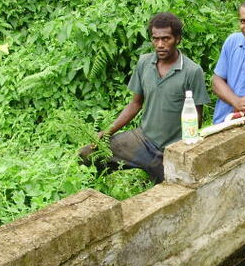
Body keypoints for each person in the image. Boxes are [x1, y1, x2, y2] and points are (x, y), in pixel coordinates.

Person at [80, 12, 210, 183]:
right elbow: (135, 103)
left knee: (174, 190)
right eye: (155, 39)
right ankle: (101, 186)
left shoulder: (192, 71)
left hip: (170, 150)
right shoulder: (144, 63)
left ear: (178, 39)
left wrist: (183, 152)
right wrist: (107, 132)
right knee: (88, 153)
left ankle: (153, 174)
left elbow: (196, 117)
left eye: (166, 39)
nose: (160, 44)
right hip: (143, 139)